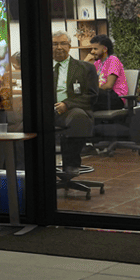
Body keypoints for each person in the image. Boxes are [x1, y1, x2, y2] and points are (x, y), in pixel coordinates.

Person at [50, 30, 98, 188]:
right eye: (55, 44)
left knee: (78, 117)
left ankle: (71, 164)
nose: (59, 47)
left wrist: (67, 104)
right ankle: (23, 168)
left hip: (71, 110)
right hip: (46, 110)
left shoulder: (85, 68)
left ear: (69, 46)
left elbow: (92, 96)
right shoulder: (40, 68)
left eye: (63, 43)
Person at [88, 34, 127, 109]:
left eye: (95, 49)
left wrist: (93, 91)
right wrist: (86, 62)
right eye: (91, 49)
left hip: (116, 98)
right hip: (102, 96)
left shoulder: (113, 60)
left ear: (105, 49)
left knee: (88, 96)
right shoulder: (97, 63)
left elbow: (109, 85)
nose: (92, 51)